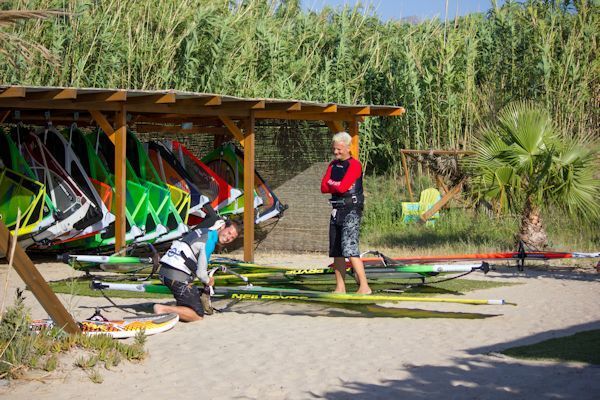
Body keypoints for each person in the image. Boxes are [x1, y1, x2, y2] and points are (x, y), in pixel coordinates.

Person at [153, 220, 240, 321]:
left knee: (191, 299)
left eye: (232, 238)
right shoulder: (209, 241)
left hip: (164, 271)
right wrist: (209, 281)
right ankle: (162, 309)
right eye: (229, 233)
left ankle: (179, 308)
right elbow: (201, 274)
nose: (229, 238)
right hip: (176, 276)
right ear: (223, 226)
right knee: (197, 314)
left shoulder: (203, 231)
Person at [320, 131, 371, 295]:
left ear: (348, 148)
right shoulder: (332, 165)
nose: (336, 152)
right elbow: (323, 187)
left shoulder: (354, 165)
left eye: (339, 149)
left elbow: (342, 188)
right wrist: (335, 184)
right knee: (336, 250)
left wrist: (333, 183)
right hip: (336, 210)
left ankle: (364, 286)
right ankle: (340, 287)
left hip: (351, 210)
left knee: (350, 248)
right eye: (334, 149)